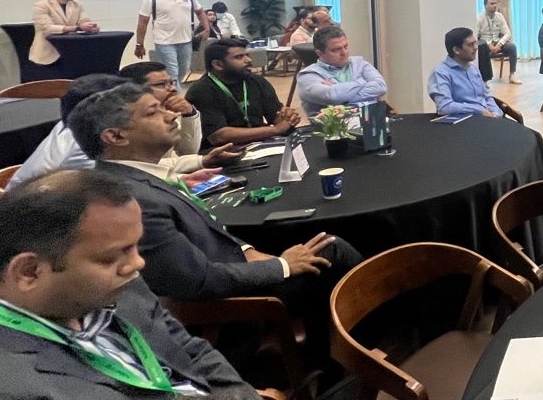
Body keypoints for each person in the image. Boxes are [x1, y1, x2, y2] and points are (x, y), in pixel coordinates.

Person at [68, 84, 362, 358]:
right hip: (231, 307)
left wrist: (248, 251)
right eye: (153, 112)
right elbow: (197, 283)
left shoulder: (136, 177)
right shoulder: (130, 200)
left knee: (339, 236)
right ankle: (363, 355)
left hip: (234, 266)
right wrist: (281, 265)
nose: (171, 115)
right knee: (331, 249)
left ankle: (332, 352)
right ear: (116, 137)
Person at [0, 169, 260, 400]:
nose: (137, 264)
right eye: (111, 257)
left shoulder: (116, 286)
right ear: (30, 271)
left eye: (135, 247)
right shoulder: (2, 387)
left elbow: (190, 350)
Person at [6, 69, 238, 192]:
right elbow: (126, 181)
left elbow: (136, 169)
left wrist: (200, 161)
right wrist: (177, 180)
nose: (171, 89)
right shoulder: (84, 148)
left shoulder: (83, 127)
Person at [186, 38, 302, 149]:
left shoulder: (255, 80)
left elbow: (275, 116)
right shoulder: (202, 91)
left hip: (261, 144)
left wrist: (287, 117)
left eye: (247, 55)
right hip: (223, 154)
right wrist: (275, 130)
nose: (248, 60)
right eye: (239, 57)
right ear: (218, 65)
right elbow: (219, 136)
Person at [134, 0, 211, 90]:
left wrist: (207, 28)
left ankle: (169, 92)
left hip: (186, 40)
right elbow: (142, 23)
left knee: (183, 71)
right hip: (164, 42)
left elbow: (200, 12)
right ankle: (178, 102)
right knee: (172, 73)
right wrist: (139, 44)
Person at [297, 26, 388, 116]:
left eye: (345, 46)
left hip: (371, 122)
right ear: (319, 53)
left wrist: (341, 94)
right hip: (334, 128)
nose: (344, 53)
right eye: (336, 50)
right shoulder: (308, 76)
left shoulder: (360, 63)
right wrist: (362, 81)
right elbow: (333, 96)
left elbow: (381, 86)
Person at [428, 28, 504, 117]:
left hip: (485, 118)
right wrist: (479, 110)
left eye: (475, 43)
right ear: (456, 50)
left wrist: (496, 113)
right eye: (470, 45)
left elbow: (486, 97)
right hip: (464, 122)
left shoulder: (473, 69)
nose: (476, 47)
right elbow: (444, 107)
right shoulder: (441, 73)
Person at [30, 0, 98, 70]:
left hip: (71, 53)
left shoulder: (77, 5)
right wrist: (77, 28)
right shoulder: (41, 6)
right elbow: (47, 28)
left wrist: (90, 27)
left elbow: (84, 20)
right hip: (48, 54)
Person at [476, 0, 520, 83]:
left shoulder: (499, 16)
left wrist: (499, 44)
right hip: (485, 42)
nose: (495, 6)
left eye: (495, 3)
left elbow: (508, 33)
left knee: (512, 47)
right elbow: (477, 35)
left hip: (497, 41)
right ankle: (485, 80)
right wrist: (489, 45)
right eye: (492, 4)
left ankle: (512, 74)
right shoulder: (479, 17)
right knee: (482, 47)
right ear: (485, 6)